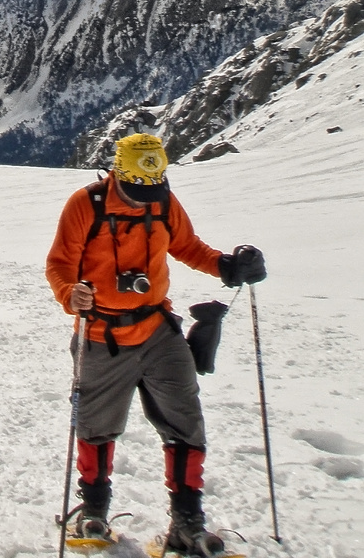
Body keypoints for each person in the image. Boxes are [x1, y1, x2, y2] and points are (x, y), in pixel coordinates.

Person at [46, 133, 267, 557]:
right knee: (95, 426)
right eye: (135, 191)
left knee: (185, 421)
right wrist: (69, 292)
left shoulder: (163, 202)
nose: (143, 198)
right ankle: (94, 511)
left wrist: (227, 265)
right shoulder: (86, 205)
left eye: (151, 189)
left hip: (156, 326)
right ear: (118, 172)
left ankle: (187, 522)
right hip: (101, 333)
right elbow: (59, 263)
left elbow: (186, 246)